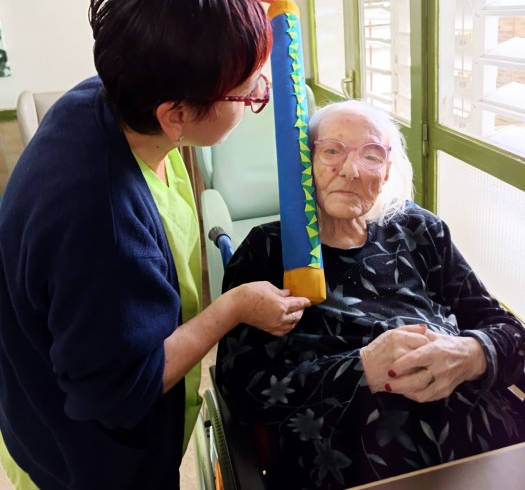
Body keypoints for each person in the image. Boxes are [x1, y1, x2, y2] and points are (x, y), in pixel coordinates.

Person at [0, 0, 311, 490]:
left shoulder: (104, 94)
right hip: (95, 461)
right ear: (176, 115)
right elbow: (119, 392)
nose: (258, 96)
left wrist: (225, 20)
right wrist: (231, 308)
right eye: (247, 94)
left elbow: (166, 39)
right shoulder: (103, 227)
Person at [216, 99, 525, 489]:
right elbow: (240, 387)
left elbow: (510, 332)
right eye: (332, 151)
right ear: (304, 163)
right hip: (357, 471)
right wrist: (361, 370)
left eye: (372, 155)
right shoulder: (267, 251)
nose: (351, 170)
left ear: (387, 170)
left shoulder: (419, 231)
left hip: (492, 456)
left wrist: (471, 353)